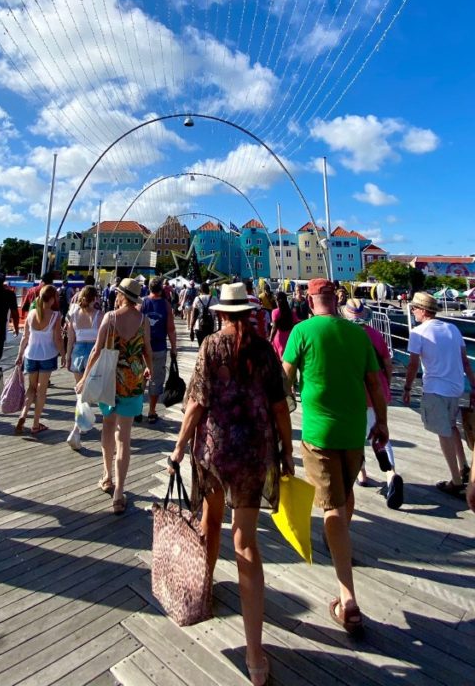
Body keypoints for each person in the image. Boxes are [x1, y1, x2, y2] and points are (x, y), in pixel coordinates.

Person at [169, 282, 294, 686]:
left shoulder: (209, 347)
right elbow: (280, 405)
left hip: (216, 450)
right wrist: (288, 450)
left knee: (210, 523)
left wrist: (179, 445)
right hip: (254, 453)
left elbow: (197, 404)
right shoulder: (264, 350)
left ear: (222, 312)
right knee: (246, 542)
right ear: (249, 311)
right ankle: (256, 657)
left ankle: (202, 597)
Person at [283, 278, 388, 636]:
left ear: (311, 301)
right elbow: (375, 383)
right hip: (354, 430)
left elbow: (284, 381)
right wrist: (383, 424)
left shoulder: (302, 331)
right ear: (335, 299)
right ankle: (340, 538)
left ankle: (348, 599)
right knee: (345, 494)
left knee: (330, 507)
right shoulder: (359, 334)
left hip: (318, 434)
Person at [76, 277, 152, 513]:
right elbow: (147, 350)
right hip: (132, 380)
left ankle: (107, 476)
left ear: (120, 295)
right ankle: (119, 492)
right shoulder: (143, 320)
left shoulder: (110, 318)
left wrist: (85, 379)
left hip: (109, 379)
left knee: (108, 427)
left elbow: (96, 351)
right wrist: (150, 369)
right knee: (125, 437)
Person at [403, 291, 475, 496]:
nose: (413, 312)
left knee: (443, 432)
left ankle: (455, 480)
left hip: (436, 389)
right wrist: (473, 385)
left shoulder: (419, 332)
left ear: (423, 310)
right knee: (451, 426)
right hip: (456, 388)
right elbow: (465, 361)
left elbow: (413, 364)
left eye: (415, 308)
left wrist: (407, 388)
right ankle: (463, 467)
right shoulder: (452, 328)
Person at [342, 299, 404, 509]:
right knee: (381, 433)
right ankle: (391, 473)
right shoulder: (375, 335)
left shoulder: (345, 335)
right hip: (378, 388)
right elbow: (387, 363)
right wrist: (386, 382)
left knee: (357, 435)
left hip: (356, 391)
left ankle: (363, 475)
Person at [14, 284, 65, 435]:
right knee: (42, 390)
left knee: (31, 388)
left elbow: (25, 337)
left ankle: (23, 414)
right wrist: (63, 355)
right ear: (52, 298)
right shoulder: (55, 316)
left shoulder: (31, 314)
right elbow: (57, 339)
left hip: (31, 354)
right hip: (47, 355)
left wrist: (19, 355)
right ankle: (35, 424)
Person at [65, 286, 103, 450]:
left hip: (77, 352)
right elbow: (102, 340)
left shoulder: (74, 314)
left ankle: (82, 424)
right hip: (93, 354)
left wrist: (67, 357)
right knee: (86, 394)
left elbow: (71, 338)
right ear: (94, 298)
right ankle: (76, 429)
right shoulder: (99, 315)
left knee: (80, 393)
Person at [140, 276, 177, 423]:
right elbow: (171, 329)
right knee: (156, 380)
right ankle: (151, 411)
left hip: (142, 349)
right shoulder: (166, 305)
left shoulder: (142, 303)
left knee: (139, 379)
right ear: (161, 289)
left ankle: (137, 410)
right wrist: (174, 347)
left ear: (149, 288)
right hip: (159, 348)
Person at [269, 291, 296, 359]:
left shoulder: (275, 312)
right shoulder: (292, 312)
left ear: (277, 301)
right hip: (289, 339)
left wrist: (270, 339)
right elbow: (295, 325)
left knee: (278, 362)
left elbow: (274, 328)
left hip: (278, 339)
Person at [192, 282, 215, 347]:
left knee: (201, 346)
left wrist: (191, 329)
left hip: (199, 327)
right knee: (210, 347)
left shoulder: (197, 299)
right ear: (208, 289)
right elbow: (219, 314)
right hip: (211, 326)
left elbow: (194, 315)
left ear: (200, 290)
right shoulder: (214, 298)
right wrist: (219, 327)